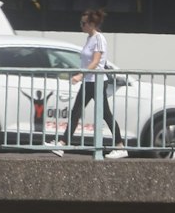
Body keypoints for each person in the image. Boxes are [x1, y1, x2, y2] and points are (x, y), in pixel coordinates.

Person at [52, 8, 127, 158]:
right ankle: (62, 143)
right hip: (89, 81)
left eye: (84, 23)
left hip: (96, 81)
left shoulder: (99, 38)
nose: (81, 25)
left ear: (92, 24)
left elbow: (96, 61)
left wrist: (81, 75)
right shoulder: (89, 38)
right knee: (77, 111)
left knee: (105, 114)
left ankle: (120, 146)